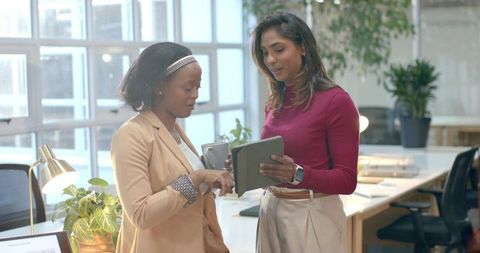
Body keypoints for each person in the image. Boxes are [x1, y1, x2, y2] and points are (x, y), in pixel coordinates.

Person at [251, 12, 359, 253]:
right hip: (270, 209)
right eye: (265, 52)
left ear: (302, 47)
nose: (270, 59)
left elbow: (347, 180)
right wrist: (244, 167)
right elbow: (276, 162)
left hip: (311, 214)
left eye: (279, 49)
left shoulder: (336, 101)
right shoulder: (275, 101)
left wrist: (298, 174)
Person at [111, 42, 233, 253]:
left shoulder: (174, 130)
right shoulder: (131, 136)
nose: (195, 94)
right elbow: (141, 214)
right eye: (188, 87)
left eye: (198, 87)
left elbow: (181, 187)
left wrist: (214, 175)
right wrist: (197, 178)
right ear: (158, 87)